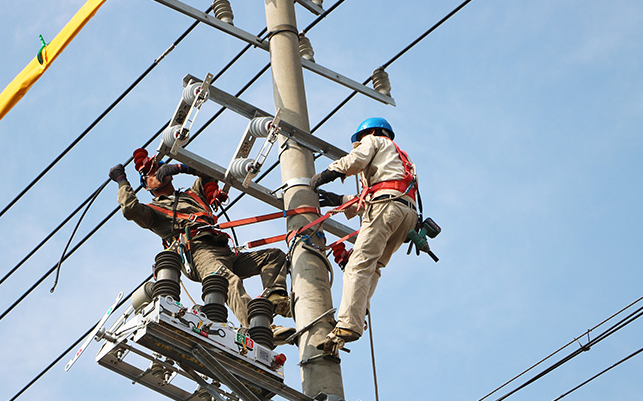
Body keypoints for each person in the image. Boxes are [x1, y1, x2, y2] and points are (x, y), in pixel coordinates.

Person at [109, 149, 293, 343]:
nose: (157, 173)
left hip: (223, 250)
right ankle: (260, 329)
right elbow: (130, 209)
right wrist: (122, 180)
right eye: (151, 174)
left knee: (274, 256)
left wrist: (181, 167)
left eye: (160, 169)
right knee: (228, 281)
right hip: (198, 253)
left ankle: (275, 299)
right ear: (147, 186)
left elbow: (210, 173)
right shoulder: (153, 212)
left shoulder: (193, 194)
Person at [309, 117, 419, 354]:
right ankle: (358, 311)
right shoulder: (402, 158)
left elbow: (355, 161)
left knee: (358, 265)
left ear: (371, 132)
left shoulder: (374, 141)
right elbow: (383, 190)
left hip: (387, 206)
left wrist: (328, 173)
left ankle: (349, 323)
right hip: (406, 215)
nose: (358, 144)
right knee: (374, 265)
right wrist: (338, 201)